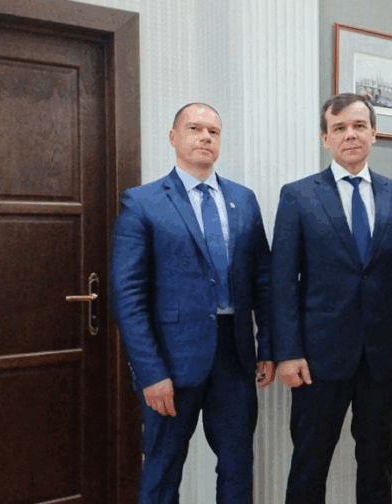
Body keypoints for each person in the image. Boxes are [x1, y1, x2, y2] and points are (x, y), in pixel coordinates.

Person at [110, 103, 275, 504]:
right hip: (171, 362)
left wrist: (269, 346)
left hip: (235, 357)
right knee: (162, 470)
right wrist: (150, 373)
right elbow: (128, 295)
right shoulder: (143, 202)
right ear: (173, 137)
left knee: (237, 467)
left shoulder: (244, 200)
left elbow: (264, 281)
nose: (205, 137)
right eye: (194, 129)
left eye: (213, 132)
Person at [271, 93, 392, 504]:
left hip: (382, 358)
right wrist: (287, 352)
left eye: (359, 126)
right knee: (309, 463)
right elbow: (282, 282)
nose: (350, 135)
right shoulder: (298, 196)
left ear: (374, 133)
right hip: (317, 358)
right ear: (326, 138)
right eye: (339, 128)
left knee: (378, 463)